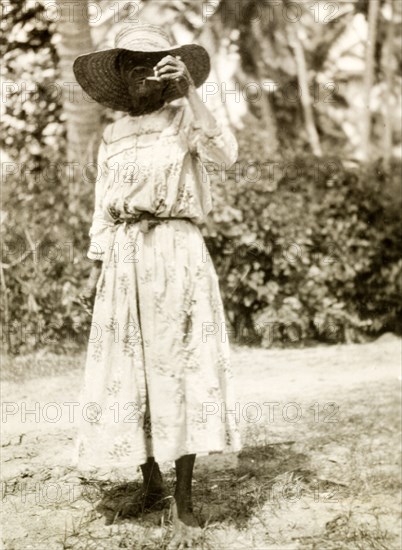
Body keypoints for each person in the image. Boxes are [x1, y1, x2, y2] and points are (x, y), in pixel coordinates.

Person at [72, 24, 241, 544]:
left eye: (154, 61)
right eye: (132, 63)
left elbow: (226, 154)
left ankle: (184, 500)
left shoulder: (185, 118)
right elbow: (102, 208)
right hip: (124, 261)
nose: (143, 71)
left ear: (169, 69)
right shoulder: (113, 135)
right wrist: (98, 266)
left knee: (181, 365)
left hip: (176, 254)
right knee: (133, 367)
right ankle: (149, 482)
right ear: (121, 75)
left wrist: (193, 91)